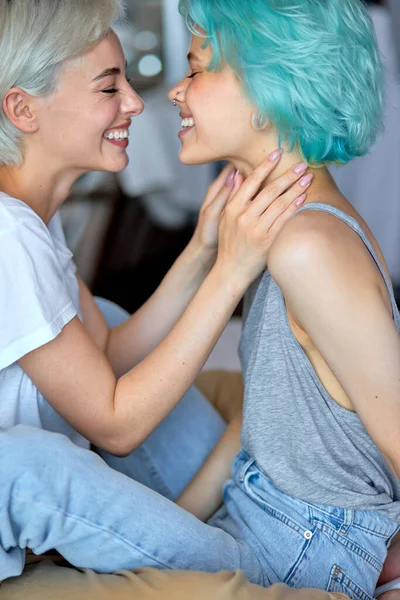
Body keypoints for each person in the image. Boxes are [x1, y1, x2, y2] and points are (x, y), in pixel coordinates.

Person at [0, 0, 319, 593]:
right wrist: (230, 273)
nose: (134, 103)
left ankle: (237, 515)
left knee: (112, 318)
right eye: (107, 87)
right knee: (18, 461)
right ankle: (271, 566)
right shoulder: (7, 233)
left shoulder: (32, 219)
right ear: (22, 109)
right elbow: (116, 426)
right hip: (13, 496)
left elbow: (111, 350)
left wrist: (202, 249)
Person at [164, 0, 400, 596]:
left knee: (34, 475)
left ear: (269, 91)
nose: (175, 91)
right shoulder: (279, 227)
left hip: (304, 546)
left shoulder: (308, 246)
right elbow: (261, 417)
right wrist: (176, 519)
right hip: (263, 506)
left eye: (196, 69)